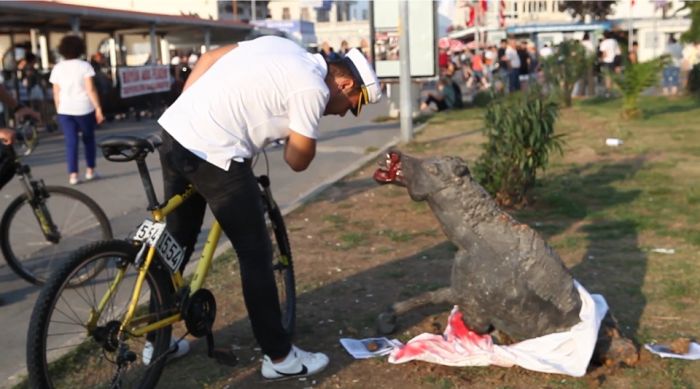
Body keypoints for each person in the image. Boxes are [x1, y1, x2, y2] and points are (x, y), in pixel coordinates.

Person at [156, 35, 381, 380]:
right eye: (353, 103)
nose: (343, 112)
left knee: (178, 239)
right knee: (255, 253)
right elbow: (297, 160)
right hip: (216, 152)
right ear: (345, 83)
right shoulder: (313, 89)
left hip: (175, 129)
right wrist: (300, 131)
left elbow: (210, 57)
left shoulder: (282, 45)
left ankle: (154, 340)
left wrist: (192, 108)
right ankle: (280, 357)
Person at [49, 35, 105, 185]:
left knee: (71, 142)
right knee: (89, 140)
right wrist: (98, 108)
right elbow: (91, 89)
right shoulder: (85, 66)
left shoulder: (57, 68)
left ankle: (73, 174)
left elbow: (56, 92)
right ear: (80, 48)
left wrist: (58, 109)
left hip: (65, 109)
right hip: (84, 108)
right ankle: (90, 170)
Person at [599, 31, 620, 96]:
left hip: (607, 61)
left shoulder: (604, 43)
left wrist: (601, 60)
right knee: (615, 77)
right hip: (615, 60)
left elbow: (604, 54)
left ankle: (608, 92)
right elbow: (618, 52)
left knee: (607, 77)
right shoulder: (615, 41)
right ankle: (617, 92)